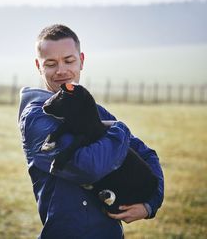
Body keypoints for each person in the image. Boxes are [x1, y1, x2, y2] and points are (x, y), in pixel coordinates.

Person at [18, 24, 164, 238]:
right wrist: (119, 128)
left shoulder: (96, 112)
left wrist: (150, 204)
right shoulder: (35, 118)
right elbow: (87, 167)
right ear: (38, 66)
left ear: (82, 61)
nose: (61, 70)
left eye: (69, 60)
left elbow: (147, 154)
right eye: (50, 64)